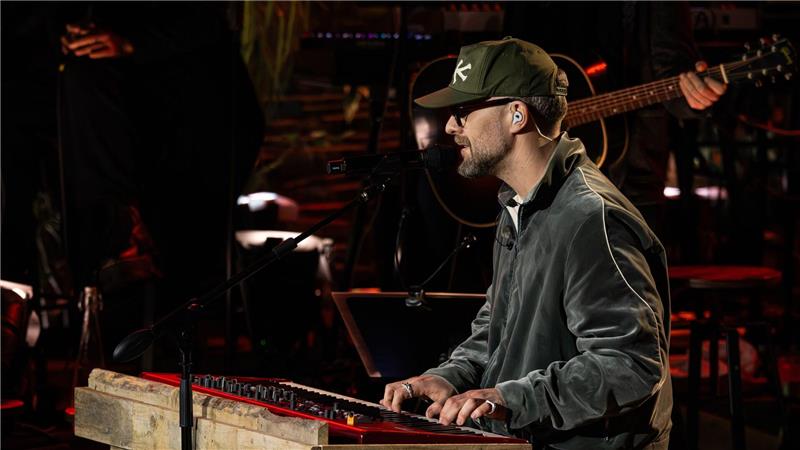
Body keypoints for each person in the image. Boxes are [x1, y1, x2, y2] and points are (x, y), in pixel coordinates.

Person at [381, 37, 677, 449]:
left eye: (463, 111)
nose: (450, 126)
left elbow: (630, 364)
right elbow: (499, 328)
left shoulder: (592, 219)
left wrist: (509, 399)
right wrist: (449, 376)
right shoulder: (519, 204)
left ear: (516, 114)